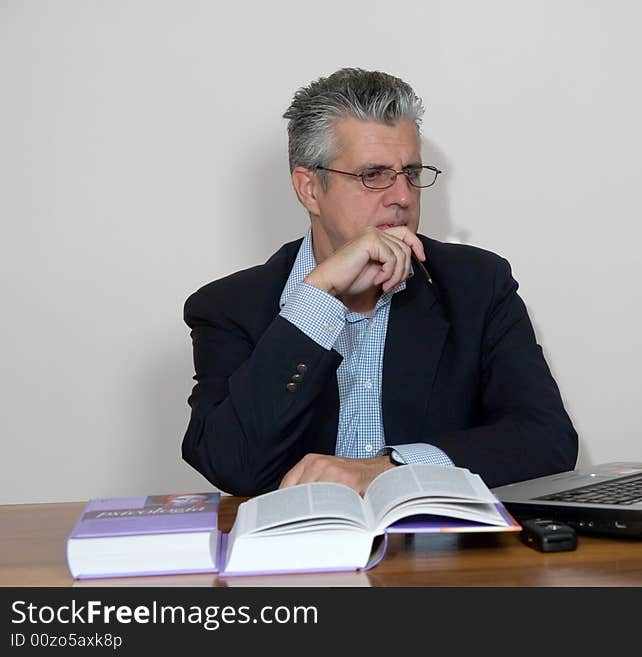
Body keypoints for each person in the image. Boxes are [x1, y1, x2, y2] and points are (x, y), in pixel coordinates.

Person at [182, 68, 578, 497]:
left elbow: (547, 440)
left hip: (440, 554)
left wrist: (390, 468)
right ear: (310, 189)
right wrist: (316, 298)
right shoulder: (230, 306)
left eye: (410, 172)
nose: (403, 196)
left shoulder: (477, 284)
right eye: (373, 175)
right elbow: (231, 463)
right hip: (302, 555)